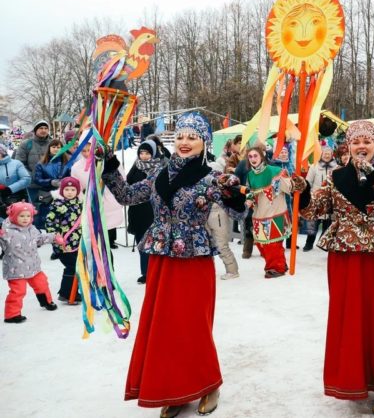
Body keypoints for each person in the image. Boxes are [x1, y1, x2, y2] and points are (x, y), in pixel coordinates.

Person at [102, 112, 247, 417]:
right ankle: (175, 390)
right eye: (180, 136)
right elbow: (127, 195)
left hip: (193, 260)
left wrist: (235, 196)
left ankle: (209, 384)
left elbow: (238, 214)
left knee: (193, 326)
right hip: (161, 258)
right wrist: (111, 167)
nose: (184, 142)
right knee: (165, 328)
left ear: (203, 143)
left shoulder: (211, 177)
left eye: (192, 137)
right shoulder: (157, 173)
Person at [298, 120, 374, 414]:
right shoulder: (336, 177)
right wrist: (303, 191)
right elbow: (315, 210)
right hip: (344, 256)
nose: (361, 147)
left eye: (367, 142)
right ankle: (352, 381)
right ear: (348, 146)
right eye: (356, 142)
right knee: (349, 318)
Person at [2, 202, 64, 323]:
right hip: (16, 269)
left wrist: (54, 237)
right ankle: (12, 315)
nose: (25, 219)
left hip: (34, 266)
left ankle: (46, 301)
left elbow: (40, 239)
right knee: (18, 292)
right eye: (21, 216)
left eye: (28, 216)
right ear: (13, 216)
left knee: (42, 284)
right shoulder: (6, 231)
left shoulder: (32, 229)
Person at [245, 143, 293, 278]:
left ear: (262, 156)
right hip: (258, 214)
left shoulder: (275, 170)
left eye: (255, 156)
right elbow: (250, 191)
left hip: (275, 212)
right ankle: (280, 263)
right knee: (261, 244)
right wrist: (249, 199)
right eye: (250, 157)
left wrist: (286, 180)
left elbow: (289, 188)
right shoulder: (250, 175)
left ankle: (276, 268)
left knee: (273, 244)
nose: (253, 159)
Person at [72, 140, 124, 249]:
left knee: (106, 240)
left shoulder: (108, 162)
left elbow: (122, 179)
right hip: (91, 204)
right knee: (95, 242)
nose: (86, 154)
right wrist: (84, 198)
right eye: (83, 151)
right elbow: (76, 188)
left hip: (109, 201)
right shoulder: (77, 167)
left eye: (89, 150)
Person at [125, 141, 162, 284]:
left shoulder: (158, 168)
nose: (144, 156)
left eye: (147, 153)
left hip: (152, 210)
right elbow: (127, 185)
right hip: (137, 211)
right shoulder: (135, 167)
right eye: (141, 153)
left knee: (154, 243)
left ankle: (155, 271)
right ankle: (145, 272)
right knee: (141, 242)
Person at [44, 177, 84, 303]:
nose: (70, 192)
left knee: (77, 266)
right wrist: (56, 236)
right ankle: (66, 293)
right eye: (67, 189)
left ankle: (71, 291)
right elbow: (50, 222)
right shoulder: (57, 204)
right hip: (64, 244)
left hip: (77, 242)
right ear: (62, 190)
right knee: (71, 266)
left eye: (73, 189)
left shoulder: (80, 203)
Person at [207, 147, 240, 280]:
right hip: (208, 216)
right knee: (209, 245)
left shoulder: (225, 187)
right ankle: (209, 270)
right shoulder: (207, 185)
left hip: (219, 216)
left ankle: (232, 270)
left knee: (222, 245)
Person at [302, 143, 338, 251]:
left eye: (329, 154)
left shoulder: (336, 167)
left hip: (330, 200)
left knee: (328, 223)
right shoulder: (314, 167)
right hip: (316, 199)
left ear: (332, 155)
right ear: (321, 154)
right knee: (312, 223)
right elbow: (308, 183)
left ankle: (324, 242)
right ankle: (309, 243)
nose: (327, 155)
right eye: (325, 153)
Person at [33, 139, 72, 228]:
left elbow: (71, 177)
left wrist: (65, 182)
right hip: (47, 195)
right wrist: (50, 182)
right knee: (45, 218)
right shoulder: (41, 163)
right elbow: (37, 179)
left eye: (58, 147)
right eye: (53, 147)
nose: (56, 149)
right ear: (49, 148)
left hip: (63, 195)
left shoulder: (68, 162)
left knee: (62, 218)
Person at [13, 121, 51, 212]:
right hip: (32, 184)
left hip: (49, 184)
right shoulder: (26, 144)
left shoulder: (52, 143)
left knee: (49, 210)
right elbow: (19, 164)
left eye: (46, 128)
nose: (43, 130)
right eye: (41, 128)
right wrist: (33, 176)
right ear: (35, 130)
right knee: (34, 209)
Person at [0, 143, 31, 219]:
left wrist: (10, 189)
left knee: (15, 222)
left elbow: (26, 179)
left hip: (16, 198)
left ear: (2, 152)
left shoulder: (16, 163)